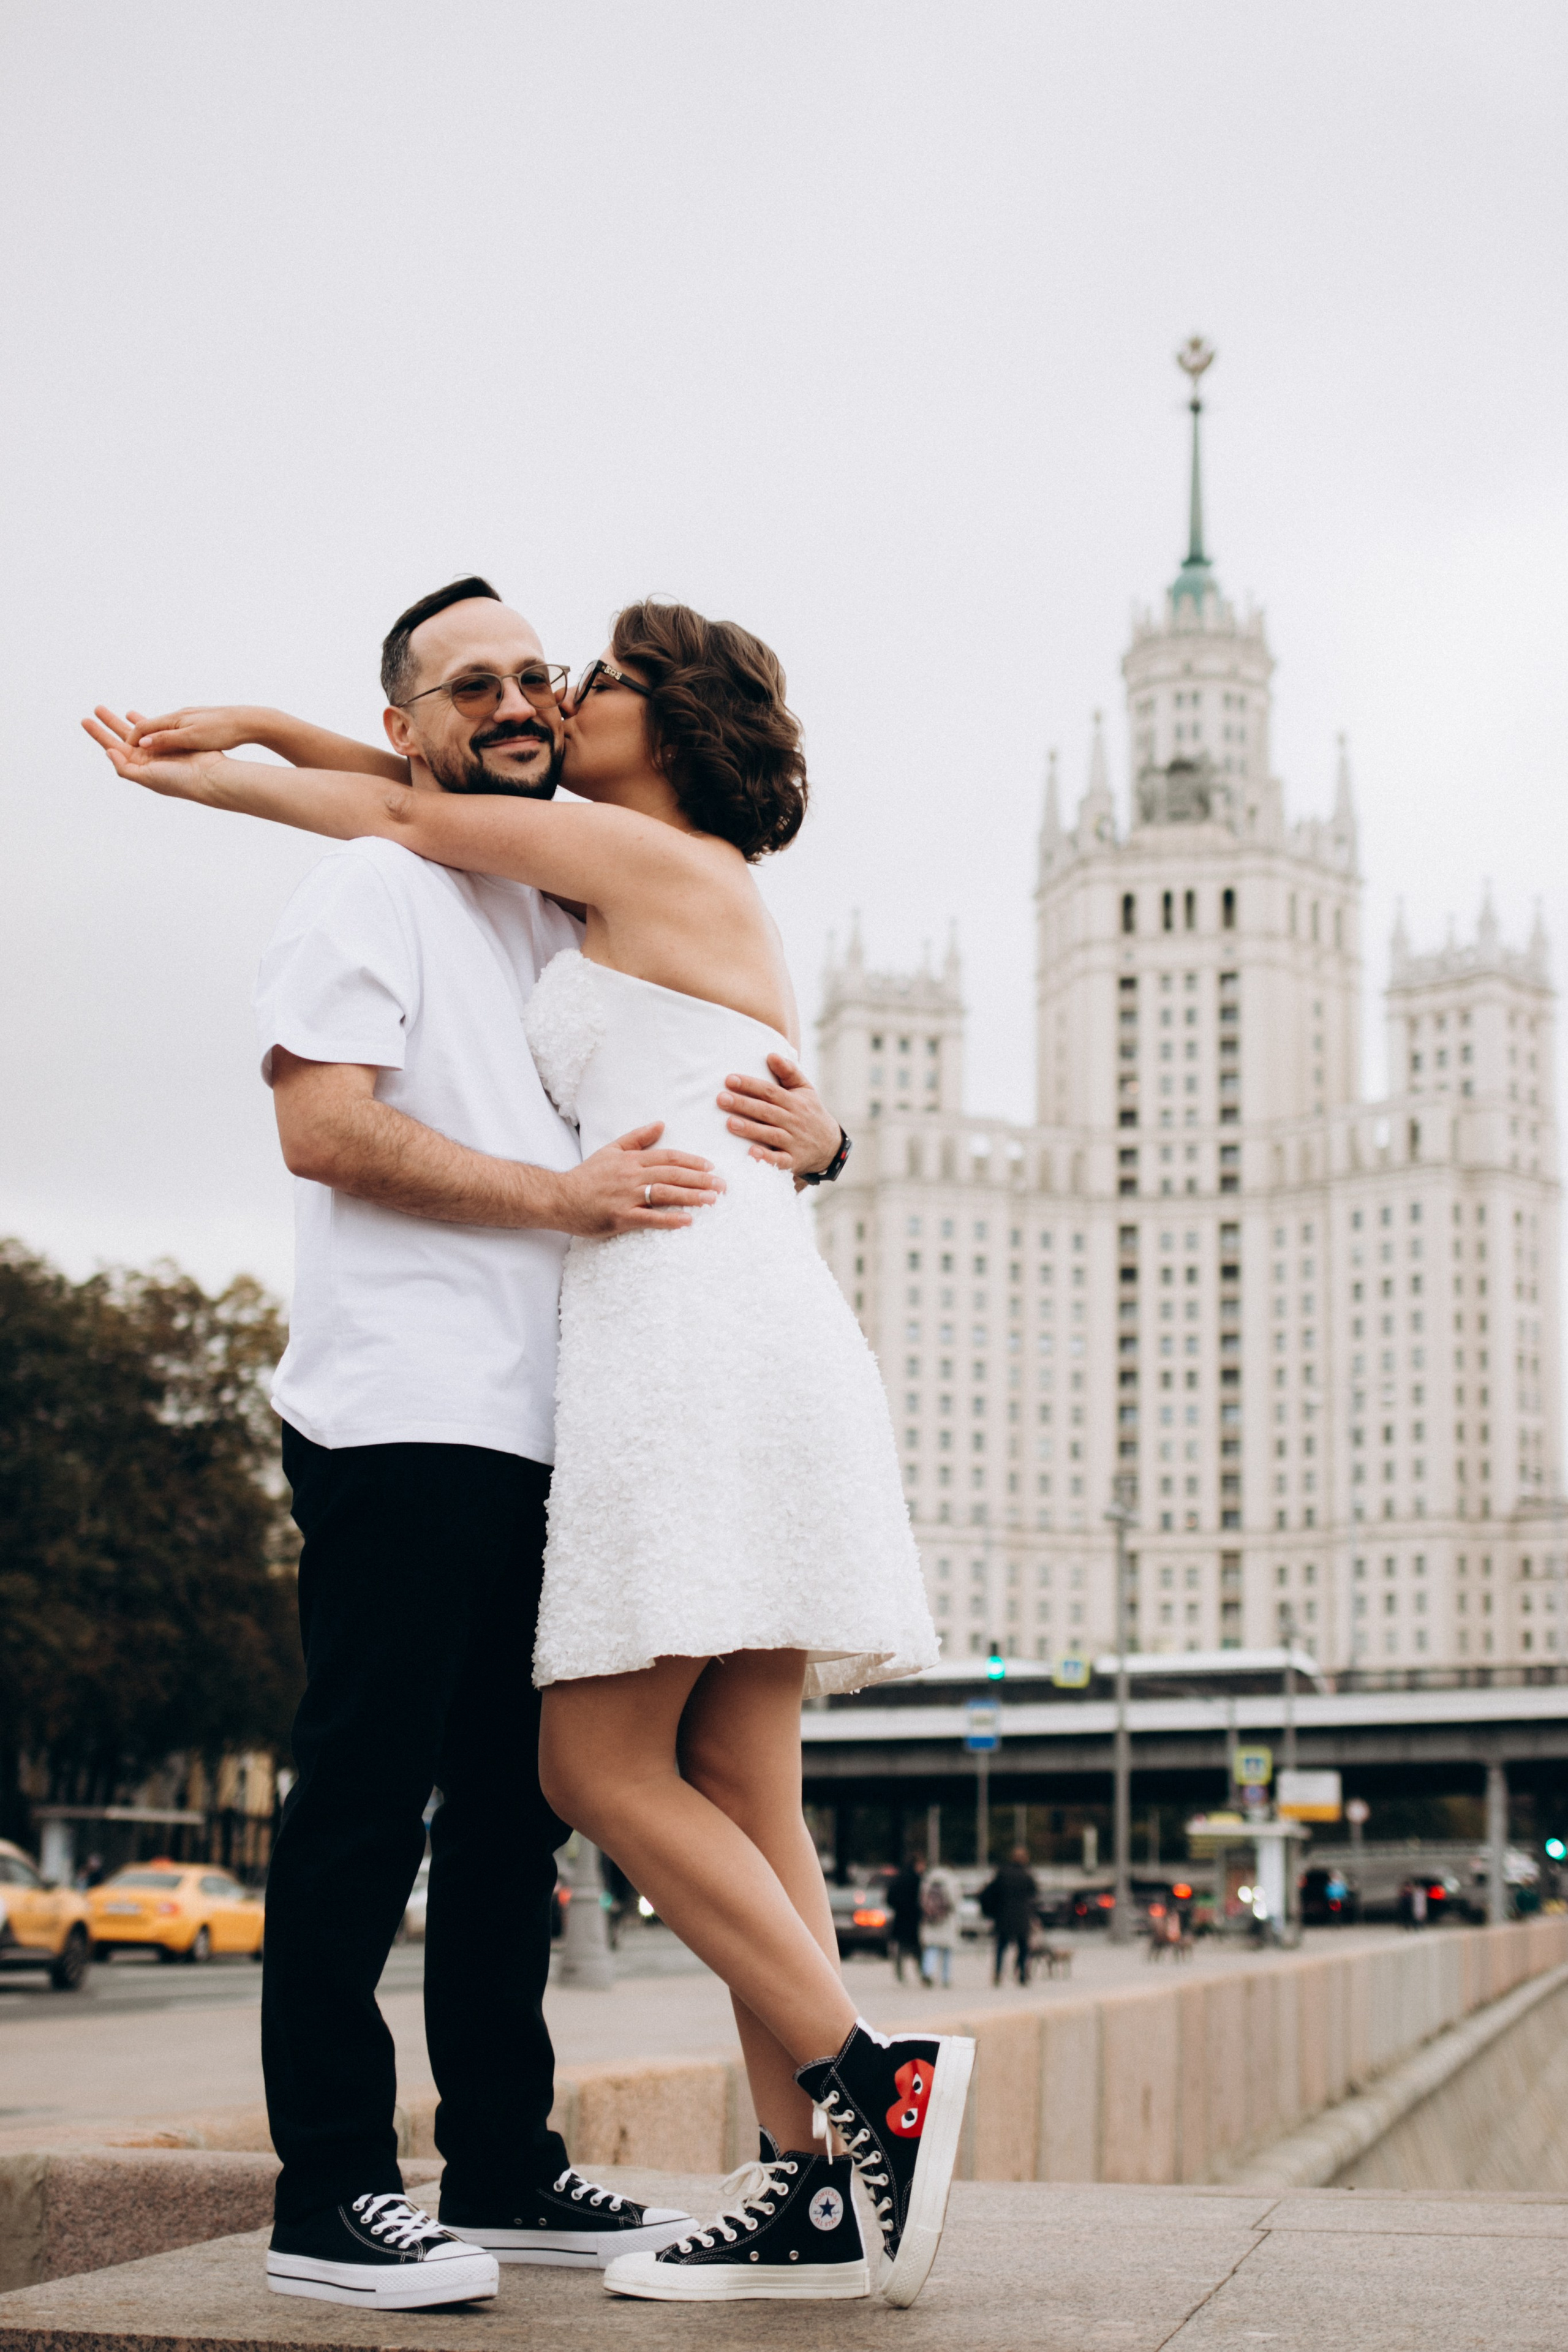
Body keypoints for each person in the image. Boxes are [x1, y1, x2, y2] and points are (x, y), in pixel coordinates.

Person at [87, 594, 973, 2312]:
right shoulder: (566, 873)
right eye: (512, 685)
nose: (558, 698)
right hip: (673, 1342)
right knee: (728, 1781)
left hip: (685, 1339)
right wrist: (283, 738)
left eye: (592, 682)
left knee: (583, 1780)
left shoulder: (627, 869)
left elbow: (417, 791)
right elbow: (413, 799)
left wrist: (236, 750)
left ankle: (865, 2089)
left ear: (678, 729)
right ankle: (811, 2180)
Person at [982, 1847, 1039, 1988]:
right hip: (1021, 1917)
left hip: (1003, 1916)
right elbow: (1034, 1892)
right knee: (1023, 1947)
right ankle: (1021, 1975)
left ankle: (998, 1974)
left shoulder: (1002, 1873)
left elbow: (989, 1892)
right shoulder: (1026, 1875)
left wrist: (991, 1911)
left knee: (1001, 1948)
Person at [919, 1859, 963, 1989]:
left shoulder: (928, 1880)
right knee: (947, 1950)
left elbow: (922, 1900)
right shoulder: (952, 1880)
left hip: (931, 1920)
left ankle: (927, 1972)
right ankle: (946, 1977)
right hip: (947, 1919)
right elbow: (955, 1900)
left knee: (931, 1948)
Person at [885, 1854, 925, 1985]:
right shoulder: (917, 1880)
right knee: (917, 1949)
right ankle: (922, 1973)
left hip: (901, 1918)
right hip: (913, 1919)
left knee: (901, 1948)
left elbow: (889, 1898)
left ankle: (900, 1973)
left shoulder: (899, 1878)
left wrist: (899, 1906)